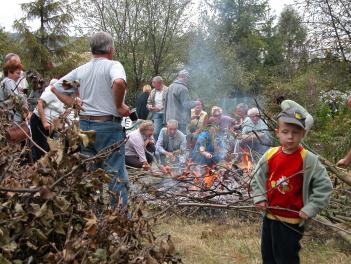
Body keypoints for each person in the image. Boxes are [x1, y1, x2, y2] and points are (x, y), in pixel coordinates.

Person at [51, 31, 131, 208]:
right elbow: (118, 82)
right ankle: (120, 219)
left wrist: (74, 104)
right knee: (114, 174)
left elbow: (56, 88)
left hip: (85, 127)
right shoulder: (112, 65)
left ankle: (94, 219)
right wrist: (119, 106)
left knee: (91, 174)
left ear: (92, 50)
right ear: (110, 49)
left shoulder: (82, 72)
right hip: (108, 127)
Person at [251, 107, 333, 264]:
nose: (290, 137)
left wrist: (310, 208)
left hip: (292, 221)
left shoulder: (308, 160)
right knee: (268, 256)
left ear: (303, 134)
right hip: (270, 217)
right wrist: (260, 197)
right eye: (285, 132)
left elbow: (324, 187)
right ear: (277, 132)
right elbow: (257, 178)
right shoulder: (270, 155)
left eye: (295, 133)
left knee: (286, 258)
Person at [30, 79, 67, 162]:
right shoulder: (52, 91)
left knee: (46, 148)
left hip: (51, 126)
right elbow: (40, 104)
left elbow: (60, 112)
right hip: (39, 121)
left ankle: (42, 169)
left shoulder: (62, 95)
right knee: (40, 148)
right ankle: (35, 169)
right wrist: (44, 122)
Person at [163, 70, 200, 134]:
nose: (188, 79)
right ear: (183, 77)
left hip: (169, 118)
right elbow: (185, 104)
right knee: (181, 139)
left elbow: (165, 102)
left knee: (171, 139)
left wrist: (165, 119)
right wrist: (196, 102)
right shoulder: (183, 88)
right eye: (187, 77)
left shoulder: (170, 86)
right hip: (180, 120)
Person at [147, 76, 167, 140]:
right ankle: (156, 146)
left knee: (166, 132)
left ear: (160, 83)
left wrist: (162, 107)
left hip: (166, 114)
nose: (152, 85)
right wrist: (149, 106)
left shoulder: (168, 90)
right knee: (156, 132)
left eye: (154, 83)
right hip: (156, 114)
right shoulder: (153, 91)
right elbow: (148, 101)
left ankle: (164, 146)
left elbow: (171, 103)